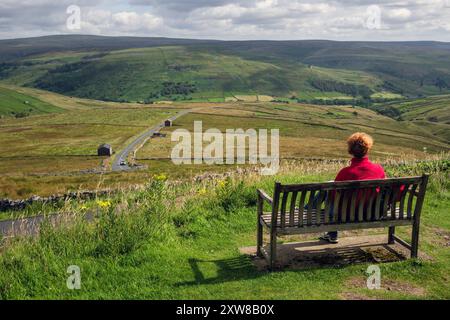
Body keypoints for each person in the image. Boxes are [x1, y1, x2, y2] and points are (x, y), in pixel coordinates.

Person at [319, 132, 386, 244]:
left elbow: (333, 195)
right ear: (367, 149)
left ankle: (331, 232)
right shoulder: (378, 169)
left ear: (350, 150)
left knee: (330, 193)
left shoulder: (345, 172)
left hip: (346, 214)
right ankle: (331, 234)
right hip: (372, 212)